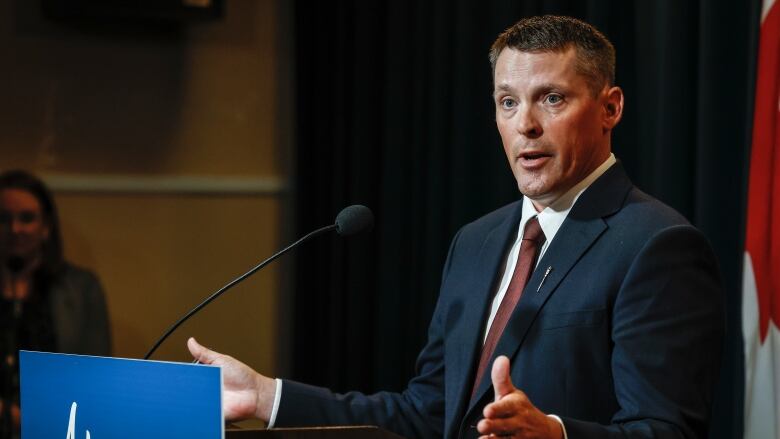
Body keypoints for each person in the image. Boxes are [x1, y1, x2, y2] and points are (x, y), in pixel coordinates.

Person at [188, 15, 725, 439]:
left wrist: (555, 434)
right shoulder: (478, 242)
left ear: (610, 107)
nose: (525, 125)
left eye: (552, 98)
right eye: (507, 102)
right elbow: (428, 414)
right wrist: (267, 396)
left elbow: (664, 429)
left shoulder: (656, 245)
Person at [0, 170, 112, 439]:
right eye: (4, 219)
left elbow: (97, 374)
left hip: (59, 427)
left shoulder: (81, 288)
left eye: (26, 218)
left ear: (46, 227)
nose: (15, 229)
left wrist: (33, 418)